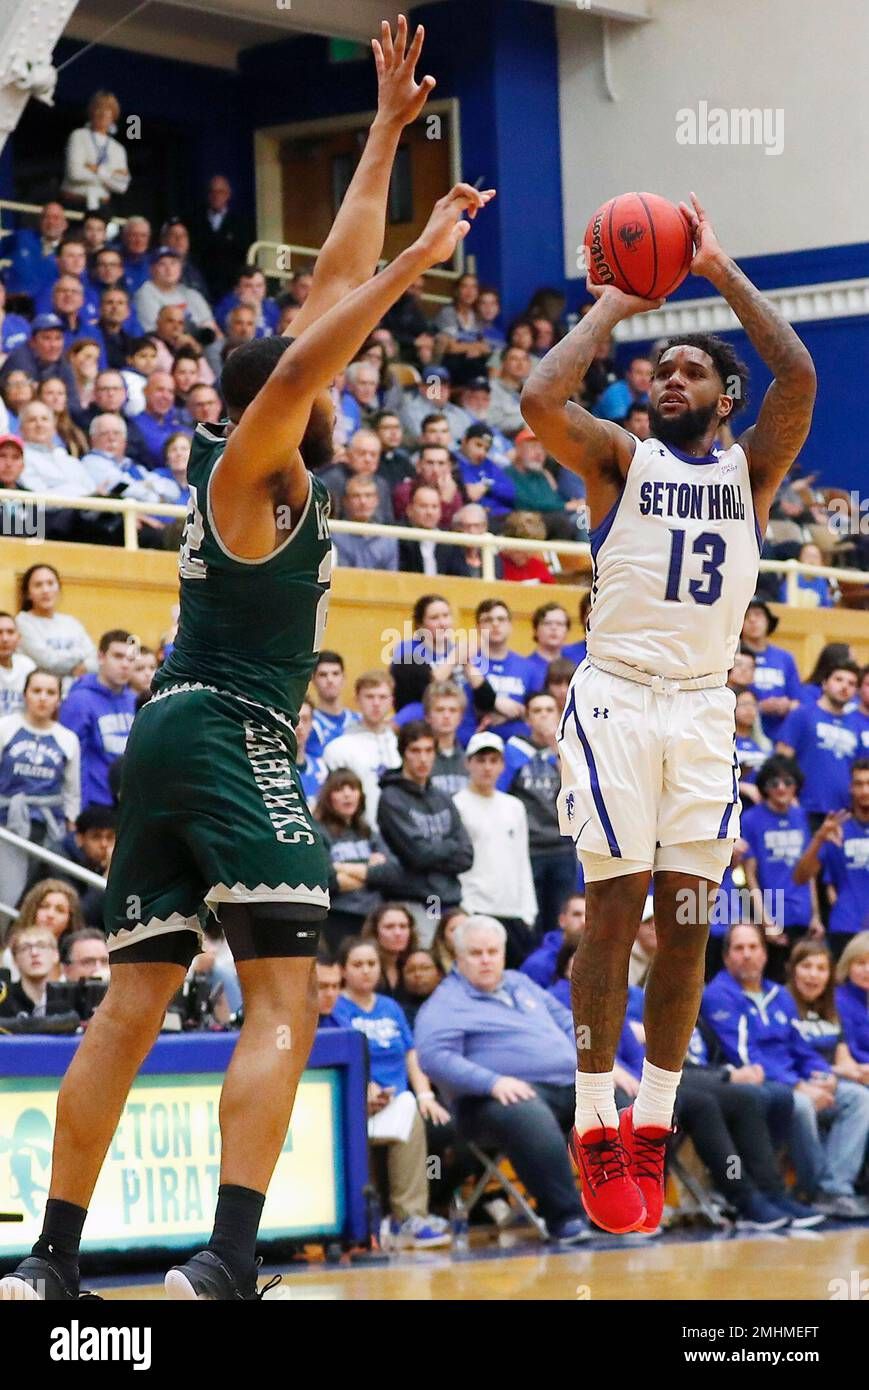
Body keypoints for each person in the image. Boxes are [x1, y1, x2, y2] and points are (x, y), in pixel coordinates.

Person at [0, 18, 491, 1302]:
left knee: (133, 999)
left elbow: (327, 284)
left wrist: (384, 137)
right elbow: (335, 327)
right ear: (295, 394)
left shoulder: (273, 460)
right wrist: (426, 263)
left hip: (171, 730)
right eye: (324, 373)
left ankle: (49, 1264)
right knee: (287, 995)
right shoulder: (252, 457)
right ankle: (226, 1257)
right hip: (226, 729)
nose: (342, 376)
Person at [520, 190, 817, 1235]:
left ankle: (650, 1118)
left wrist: (720, 268)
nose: (668, 378)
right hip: (614, 697)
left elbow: (800, 375)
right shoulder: (617, 458)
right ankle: (593, 1114)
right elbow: (537, 397)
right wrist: (612, 302)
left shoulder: (751, 470)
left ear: (723, 396)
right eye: (661, 371)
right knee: (615, 906)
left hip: (700, 711)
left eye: (690, 370)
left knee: (688, 920)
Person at [415, 915, 591, 1244]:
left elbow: (569, 1023)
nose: (486, 960)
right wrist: (492, 1082)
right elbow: (434, 1057)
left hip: (567, 1085)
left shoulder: (520, 983)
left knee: (622, 1105)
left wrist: (603, 1067)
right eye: (476, 953)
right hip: (486, 1103)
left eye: (493, 952)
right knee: (528, 1114)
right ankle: (566, 1218)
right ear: (458, 957)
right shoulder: (446, 1002)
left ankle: (620, 1210)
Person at [703, 923, 869, 1219]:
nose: (747, 955)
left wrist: (822, 1074)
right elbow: (742, 1055)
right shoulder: (718, 994)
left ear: (765, 954)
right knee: (801, 1104)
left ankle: (835, 1187)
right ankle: (818, 1189)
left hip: (797, 1079)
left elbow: (800, 1046)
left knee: (857, 1098)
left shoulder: (778, 994)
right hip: (758, 1083)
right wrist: (797, 1086)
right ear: (726, 957)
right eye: (739, 948)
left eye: (754, 947)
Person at [332, 937, 451, 1249]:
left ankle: (410, 1217)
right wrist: (363, 1089)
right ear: (343, 970)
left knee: (413, 1108)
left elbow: (410, 1054)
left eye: (371, 964)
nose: (366, 971)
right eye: (357, 965)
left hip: (395, 1098)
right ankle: (369, 1222)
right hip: (355, 1101)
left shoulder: (390, 1007)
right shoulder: (337, 1008)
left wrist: (426, 1095)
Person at [376, 721, 474, 944]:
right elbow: (418, 855)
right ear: (403, 753)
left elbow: (467, 856)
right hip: (415, 901)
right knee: (425, 962)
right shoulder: (391, 798)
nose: (423, 758)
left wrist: (433, 852)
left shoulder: (442, 797)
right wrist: (450, 846)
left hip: (450, 900)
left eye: (429, 750)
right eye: (415, 751)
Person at [453, 732, 537, 966]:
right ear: (468, 763)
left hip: (513, 911)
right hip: (475, 907)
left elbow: (522, 859)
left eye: (493, 760)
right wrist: (464, 907)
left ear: (502, 765)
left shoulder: (514, 806)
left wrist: (528, 910)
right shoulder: (456, 804)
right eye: (480, 760)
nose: (487, 768)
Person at [0, 669, 80, 907]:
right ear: (25, 694)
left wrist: (70, 823)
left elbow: (72, 792)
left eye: (50, 692)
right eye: (36, 691)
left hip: (48, 828)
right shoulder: (5, 727)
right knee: (7, 893)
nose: (43, 698)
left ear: (59, 698)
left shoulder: (67, 739)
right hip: (6, 823)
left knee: (34, 895)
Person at [499, 690, 577, 934]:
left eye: (549, 710)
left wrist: (556, 748)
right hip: (528, 848)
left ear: (558, 714)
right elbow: (501, 791)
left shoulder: (569, 748)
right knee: (532, 920)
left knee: (560, 919)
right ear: (528, 719)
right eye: (537, 711)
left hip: (562, 846)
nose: (543, 716)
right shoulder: (515, 749)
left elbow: (575, 791)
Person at [740, 755, 819, 981]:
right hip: (773, 915)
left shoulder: (801, 816)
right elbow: (750, 877)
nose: (781, 788)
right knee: (774, 981)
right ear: (764, 787)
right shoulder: (751, 819)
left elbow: (809, 871)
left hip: (802, 913)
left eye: (788, 782)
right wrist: (766, 921)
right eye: (774, 783)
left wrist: (815, 915)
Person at [313, 771, 403, 953]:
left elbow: (393, 873)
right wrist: (369, 869)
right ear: (328, 797)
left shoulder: (367, 832)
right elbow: (327, 879)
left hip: (373, 917)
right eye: (339, 789)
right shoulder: (318, 832)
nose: (347, 794)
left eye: (353, 788)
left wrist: (343, 867)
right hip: (338, 918)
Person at [794, 760, 869, 952]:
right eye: (859, 784)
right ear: (850, 788)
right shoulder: (836, 830)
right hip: (845, 926)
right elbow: (801, 877)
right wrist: (819, 838)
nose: (864, 790)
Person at [776, 662, 860, 826]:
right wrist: (789, 799)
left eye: (851, 683)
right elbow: (780, 761)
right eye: (839, 679)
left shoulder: (856, 723)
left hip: (844, 813)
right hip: (804, 808)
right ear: (824, 683)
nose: (845, 686)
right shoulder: (802, 714)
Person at [59, 631, 137, 808]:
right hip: (93, 804)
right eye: (118, 656)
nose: (125, 664)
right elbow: (70, 760)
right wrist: (77, 808)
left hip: (129, 804)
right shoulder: (79, 700)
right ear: (101, 657)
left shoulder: (134, 701)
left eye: (131, 659)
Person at [321, 671, 400, 824]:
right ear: (357, 700)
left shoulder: (401, 744)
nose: (376, 703)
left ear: (392, 701)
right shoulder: (338, 749)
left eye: (382, 697)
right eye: (369, 696)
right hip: (363, 834)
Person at [15, 565, 97, 683]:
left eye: (50, 583)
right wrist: (79, 657)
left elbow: (95, 658)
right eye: (38, 585)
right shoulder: (22, 622)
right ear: (28, 593)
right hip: (42, 693)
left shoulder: (71, 622)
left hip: (75, 690)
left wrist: (86, 667)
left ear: (58, 587)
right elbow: (49, 662)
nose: (45, 590)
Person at [740, 597, 802, 741]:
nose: (753, 620)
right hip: (743, 732)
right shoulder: (732, 655)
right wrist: (758, 707)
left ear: (769, 621)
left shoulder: (785, 658)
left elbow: (798, 701)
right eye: (746, 616)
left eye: (758, 614)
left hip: (780, 733)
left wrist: (785, 705)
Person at [61, 91, 131, 212]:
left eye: (108, 110)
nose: (103, 113)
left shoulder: (118, 149)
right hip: (75, 204)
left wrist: (96, 169)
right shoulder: (79, 135)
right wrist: (111, 175)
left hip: (103, 207)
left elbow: (122, 186)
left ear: (113, 115)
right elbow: (75, 173)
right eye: (99, 108)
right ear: (92, 112)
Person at [332, 476, 399, 570]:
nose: (363, 501)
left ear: (377, 500)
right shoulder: (333, 536)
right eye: (356, 496)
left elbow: (392, 578)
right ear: (345, 501)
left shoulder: (388, 538)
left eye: (368, 495)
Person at [521, 893, 586, 988]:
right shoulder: (539, 964)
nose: (584, 921)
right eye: (576, 915)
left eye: (590, 915)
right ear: (562, 920)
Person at [0, 924, 62, 1018]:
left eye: (41, 946)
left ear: (55, 955)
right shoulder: (4, 1000)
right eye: (25, 948)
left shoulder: (66, 999)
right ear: (14, 960)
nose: (34, 953)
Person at [307, 650, 360, 757]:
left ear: (343, 678)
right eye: (323, 675)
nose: (330, 680)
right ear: (313, 680)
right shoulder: (309, 724)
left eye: (335, 674)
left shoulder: (359, 720)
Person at [362, 901, 419, 997]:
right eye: (389, 927)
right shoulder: (365, 966)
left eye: (403, 926)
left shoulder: (413, 965)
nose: (398, 933)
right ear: (375, 932)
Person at [423, 680, 469, 797]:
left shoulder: (470, 760)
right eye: (440, 710)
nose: (446, 716)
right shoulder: (420, 758)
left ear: (461, 717)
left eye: (453, 710)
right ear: (427, 716)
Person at [835, 932, 869, 1072]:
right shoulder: (836, 1000)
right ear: (847, 966)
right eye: (860, 963)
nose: (867, 970)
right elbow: (849, 1049)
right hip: (855, 1073)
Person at [524, 603, 572, 694]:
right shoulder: (524, 667)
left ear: (567, 631)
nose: (554, 628)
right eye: (547, 623)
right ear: (535, 630)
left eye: (560, 624)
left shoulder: (575, 667)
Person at [591, 357, 652, 422]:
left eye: (648, 374)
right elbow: (622, 427)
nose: (644, 379)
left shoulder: (648, 393)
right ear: (628, 375)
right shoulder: (615, 393)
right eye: (639, 373)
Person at [0, 610, 36, 717]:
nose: (5, 639)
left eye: (10, 632)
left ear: (19, 638)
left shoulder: (27, 665)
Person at [400, 948, 442, 1027]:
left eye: (425, 968)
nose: (417, 974)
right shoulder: (397, 1013)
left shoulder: (453, 1007)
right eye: (410, 970)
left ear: (439, 974)